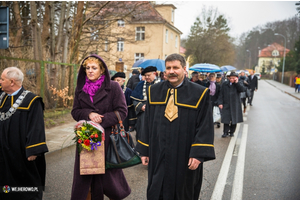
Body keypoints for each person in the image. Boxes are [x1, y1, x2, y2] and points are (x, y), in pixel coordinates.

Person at [136, 54, 215, 200]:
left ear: (184, 69)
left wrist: (198, 154)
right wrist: (144, 150)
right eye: (168, 68)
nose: (172, 71)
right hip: (159, 153)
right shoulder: (153, 92)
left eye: (175, 68)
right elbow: (147, 123)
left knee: (183, 192)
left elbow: (205, 126)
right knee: (156, 190)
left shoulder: (200, 93)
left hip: (185, 155)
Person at [71, 55, 131, 200]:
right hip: (86, 138)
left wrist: (100, 121)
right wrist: (89, 114)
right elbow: (75, 111)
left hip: (107, 138)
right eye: (87, 68)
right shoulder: (80, 89)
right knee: (85, 176)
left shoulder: (114, 87)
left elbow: (122, 111)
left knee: (106, 179)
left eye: (94, 68)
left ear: (102, 70)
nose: (90, 71)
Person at [0, 67, 48, 200]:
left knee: (25, 184)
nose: (0, 82)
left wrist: (33, 149)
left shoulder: (32, 101)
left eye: (2, 79)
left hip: (21, 152)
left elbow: (36, 126)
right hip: (3, 152)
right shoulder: (2, 97)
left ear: (11, 82)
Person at [130, 66, 160, 142]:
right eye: (145, 75)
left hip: (158, 115)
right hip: (143, 115)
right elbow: (134, 100)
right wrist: (141, 106)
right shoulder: (140, 85)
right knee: (142, 134)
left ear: (154, 74)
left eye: (148, 75)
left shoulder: (162, 84)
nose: (146, 77)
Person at [218, 72, 245, 138]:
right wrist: (220, 103)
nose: (232, 79)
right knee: (226, 119)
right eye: (230, 78)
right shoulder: (225, 84)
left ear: (236, 78)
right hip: (226, 104)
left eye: (233, 78)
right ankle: (225, 132)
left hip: (235, 104)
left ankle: (232, 132)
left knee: (234, 119)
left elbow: (242, 89)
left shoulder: (239, 83)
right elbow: (221, 94)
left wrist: (236, 83)